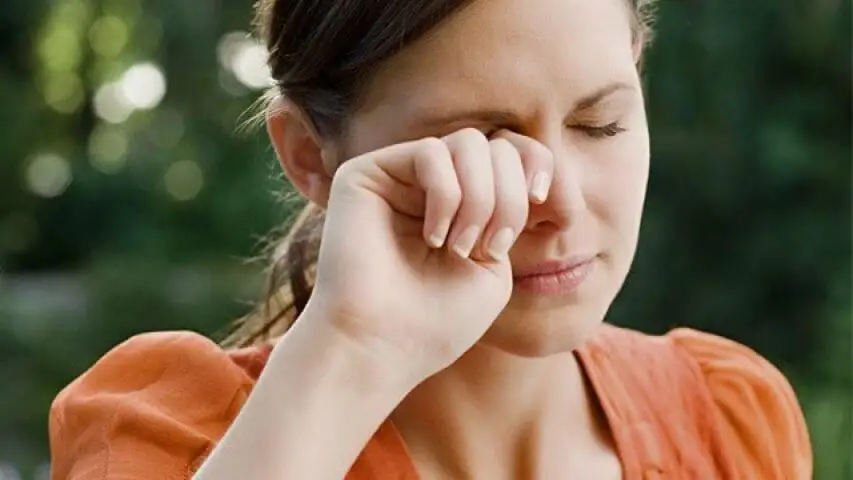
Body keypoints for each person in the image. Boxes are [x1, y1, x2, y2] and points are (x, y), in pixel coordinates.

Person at [48, 0, 813, 478]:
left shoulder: (727, 423)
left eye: (600, 124)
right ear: (310, 156)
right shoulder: (168, 442)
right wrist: (349, 349)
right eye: (481, 145)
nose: (563, 204)